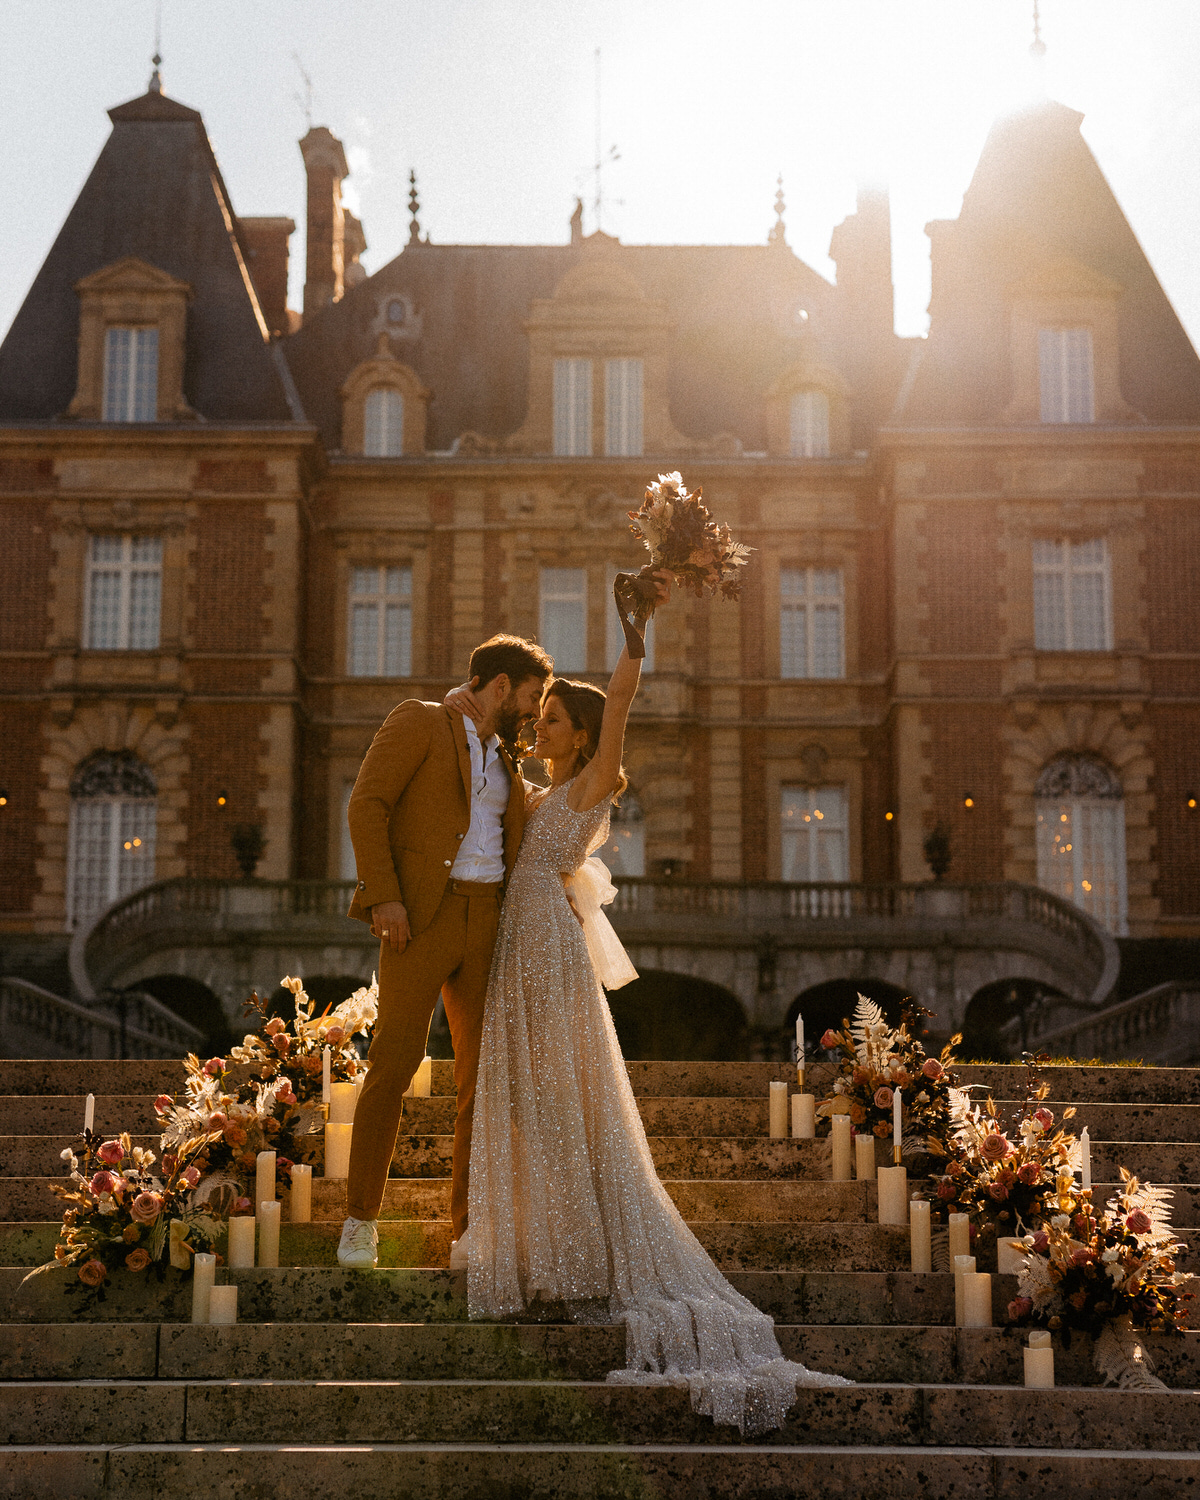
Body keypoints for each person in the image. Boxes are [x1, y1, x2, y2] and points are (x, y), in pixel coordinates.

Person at [445, 595, 849, 1436]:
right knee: (529, 1096)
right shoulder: (537, 790)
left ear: (584, 735)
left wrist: (635, 641)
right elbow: (482, 760)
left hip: (548, 949)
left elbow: (620, 703)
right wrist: (462, 703)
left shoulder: (592, 779)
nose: (542, 724)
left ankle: (576, 1251)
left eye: (554, 718)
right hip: (518, 943)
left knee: (561, 1096)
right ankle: (541, 1246)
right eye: (540, 715)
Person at [338, 633, 553, 1270]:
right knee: (394, 1063)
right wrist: (385, 896)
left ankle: (468, 1232)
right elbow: (366, 803)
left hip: (488, 920)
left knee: (481, 1081)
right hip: (420, 918)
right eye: (532, 697)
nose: (536, 712)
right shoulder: (420, 722)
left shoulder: (508, 756)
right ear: (501, 686)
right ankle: (360, 1220)